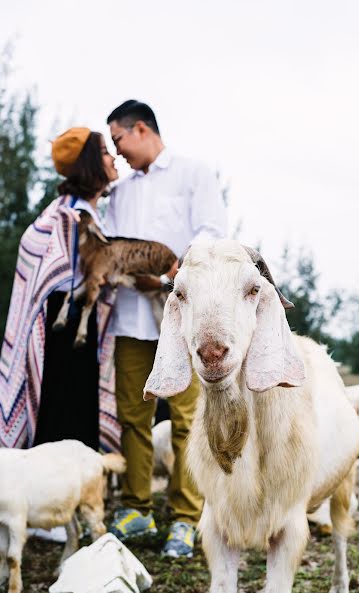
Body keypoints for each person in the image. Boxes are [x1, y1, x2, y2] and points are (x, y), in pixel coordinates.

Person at [105, 99, 227, 558]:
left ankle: (184, 517)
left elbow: (213, 231)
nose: (118, 154)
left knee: (186, 419)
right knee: (133, 417)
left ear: (140, 129)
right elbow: (110, 243)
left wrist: (170, 273)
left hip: (181, 318)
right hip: (130, 316)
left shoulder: (193, 172)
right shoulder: (121, 191)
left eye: (118, 141)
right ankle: (136, 508)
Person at [0, 127, 120, 455]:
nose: (114, 158)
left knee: (78, 424)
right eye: (106, 152)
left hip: (78, 326)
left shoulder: (83, 214)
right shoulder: (68, 216)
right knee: (64, 425)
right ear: (92, 163)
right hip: (62, 333)